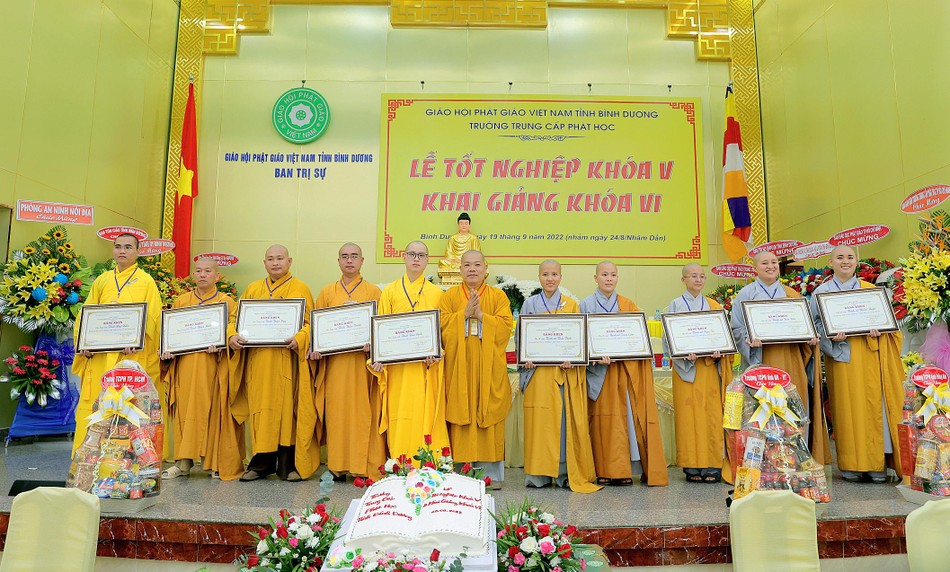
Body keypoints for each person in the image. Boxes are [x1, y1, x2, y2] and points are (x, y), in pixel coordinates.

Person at [809, 245, 904, 482]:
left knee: (875, 408)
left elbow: (890, 325)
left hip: (871, 356)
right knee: (846, 408)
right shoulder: (821, 292)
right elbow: (814, 326)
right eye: (840, 257)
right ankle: (852, 464)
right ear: (831, 262)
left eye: (850, 257)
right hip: (842, 357)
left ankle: (876, 463)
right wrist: (830, 336)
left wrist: (879, 330)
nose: (845, 261)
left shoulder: (870, 290)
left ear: (856, 262)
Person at [731, 250, 831, 463]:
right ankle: (763, 458)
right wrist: (749, 339)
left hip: (790, 360)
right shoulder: (745, 295)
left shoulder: (792, 295)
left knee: (793, 404)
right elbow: (737, 328)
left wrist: (810, 338)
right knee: (762, 409)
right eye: (765, 263)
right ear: (755, 269)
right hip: (762, 361)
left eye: (774, 262)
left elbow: (805, 326)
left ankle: (796, 455)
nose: (770, 266)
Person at [228, 245, 317, 482]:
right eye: (270, 259)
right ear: (264, 262)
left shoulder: (300, 288)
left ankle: (288, 466)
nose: (275, 263)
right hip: (258, 362)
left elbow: (310, 324)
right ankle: (261, 464)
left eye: (280, 258)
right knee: (262, 411)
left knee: (287, 411)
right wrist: (232, 336)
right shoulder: (253, 288)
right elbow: (235, 320)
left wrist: (299, 338)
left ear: (290, 261)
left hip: (286, 361)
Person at [581, 261, 669, 487]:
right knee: (602, 422)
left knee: (627, 422)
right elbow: (580, 340)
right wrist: (594, 357)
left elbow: (639, 338)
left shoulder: (628, 304)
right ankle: (604, 469)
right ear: (595, 278)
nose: (609, 279)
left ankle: (626, 469)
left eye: (613, 275)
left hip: (625, 371)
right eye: (604, 274)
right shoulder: (585, 305)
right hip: (600, 373)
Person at [72, 233, 162, 453]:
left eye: (128, 247)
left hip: (130, 355)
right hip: (102, 356)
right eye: (118, 246)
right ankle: (90, 452)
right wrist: (84, 343)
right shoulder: (102, 280)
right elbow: (86, 315)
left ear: (138, 252)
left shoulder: (146, 280)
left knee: (129, 403)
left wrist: (138, 338)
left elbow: (153, 317)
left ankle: (130, 454)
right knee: (98, 400)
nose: (122, 251)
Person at [519, 260, 600, 493]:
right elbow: (521, 338)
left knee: (563, 423)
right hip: (539, 374)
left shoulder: (572, 305)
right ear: (539, 277)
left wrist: (573, 357)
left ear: (561, 277)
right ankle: (539, 475)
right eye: (545, 274)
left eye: (554, 274)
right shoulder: (530, 303)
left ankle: (565, 473)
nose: (550, 278)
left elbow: (579, 339)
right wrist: (527, 358)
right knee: (540, 425)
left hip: (564, 373)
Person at [160, 257, 244, 480]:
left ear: (217, 276)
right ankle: (182, 463)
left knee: (213, 411)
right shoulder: (181, 301)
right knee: (185, 412)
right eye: (198, 271)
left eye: (208, 271)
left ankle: (214, 463)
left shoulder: (227, 302)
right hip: (186, 365)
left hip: (213, 366)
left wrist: (223, 340)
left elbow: (233, 329)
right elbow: (171, 334)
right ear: (193, 275)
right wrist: (167, 351)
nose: (203, 275)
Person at [310, 243, 385, 481]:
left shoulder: (374, 292)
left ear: (362, 260)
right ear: (338, 260)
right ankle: (337, 465)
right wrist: (316, 347)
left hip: (361, 366)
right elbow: (316, 329)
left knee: (361, 414)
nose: (349, 260)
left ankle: (359, 465)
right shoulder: (327, 292)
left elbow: (381, 327)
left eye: (354, 256)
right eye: (345, 256)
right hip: (335, 365)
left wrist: (372, 342)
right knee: (336, 412)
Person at [370, 241, 450, 461]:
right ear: (404, 257)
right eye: (412, 254)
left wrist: (437, 352)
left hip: (425, 367)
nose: (416, 259)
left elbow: (441, 331)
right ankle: (399, 463)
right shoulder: (390, 291)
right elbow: (382, 328)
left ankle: (428, 463)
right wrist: (378, 358)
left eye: (421, 255)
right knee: (400, 414)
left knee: (424, 414)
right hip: (397, 370)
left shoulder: (437, 293)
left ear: (427, 261)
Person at [439, 250, 513, 487]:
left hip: (488, 366)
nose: (472, 269)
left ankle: (491, 475)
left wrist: (481, 316)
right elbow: (440, 326)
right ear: (460, 269)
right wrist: (463, 315)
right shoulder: (449, 296)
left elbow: (505, 327)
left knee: (488, 412)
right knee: (462, 411)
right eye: (467, 265)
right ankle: (459, 472)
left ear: (485, 268)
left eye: (477, 265)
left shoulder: (498, 297)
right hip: (459, 366)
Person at [664, 263, 732, 484]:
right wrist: (682, 353)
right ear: (683, 279)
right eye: (693, 276)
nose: (698, 280)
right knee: (688, 418)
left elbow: (723, 337)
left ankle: (713, 465)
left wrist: (718, 352)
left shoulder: (714, 305)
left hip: (708, 369)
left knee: (711, 416)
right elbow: (668, 339)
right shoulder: (674, 305)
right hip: (685, 371)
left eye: (702, 276)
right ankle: (691, 465)